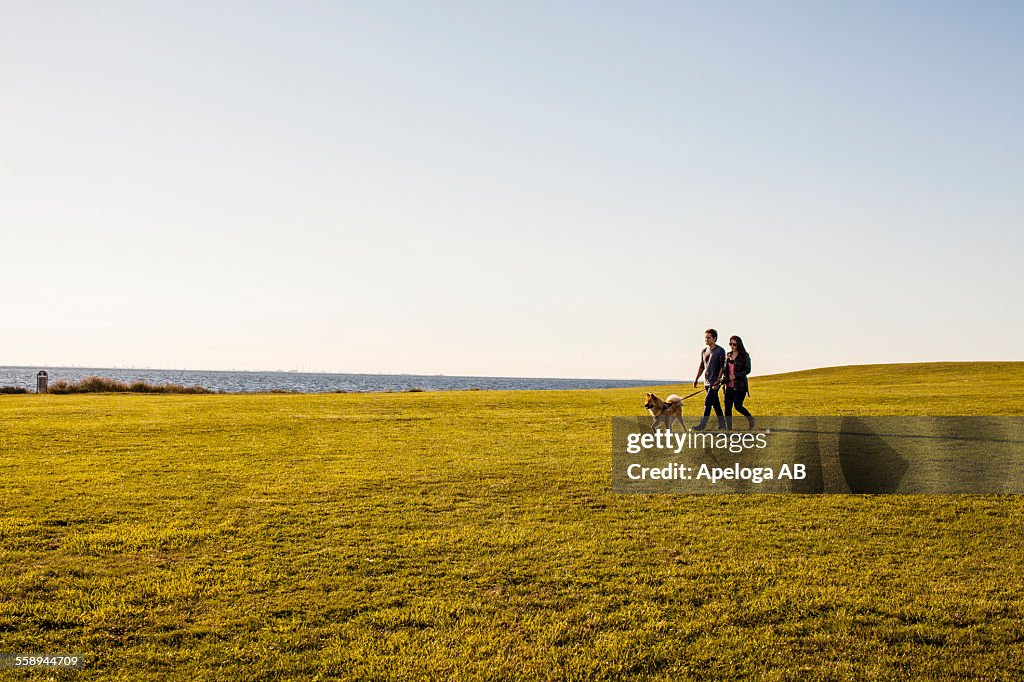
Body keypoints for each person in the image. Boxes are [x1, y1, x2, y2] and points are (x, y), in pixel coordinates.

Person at [692, 328, 726, 431]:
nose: (706, 339)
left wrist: (718, 380)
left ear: (714, 338)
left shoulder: (720, 350)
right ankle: (722, 424)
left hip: (715, 382)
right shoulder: (703, 351)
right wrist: (696, 379)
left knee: (707, 402)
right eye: (705, 337)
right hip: (707, 382)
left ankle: (702, 424)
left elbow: (722, 367)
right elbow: (702, 366)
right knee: (715, 404)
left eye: (708, 337)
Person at [719, 335, 755, 430]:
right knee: (727, 408)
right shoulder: (728, 355)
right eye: (730, 344)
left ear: (738, 344)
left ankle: (750, 419)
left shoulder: (744, 356)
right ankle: (729, 429)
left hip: (740, 386)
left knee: (738, 406)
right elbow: (725, 370)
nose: (732, 346)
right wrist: (723, 379)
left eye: (734, 344)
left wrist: (736, 375)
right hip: (728, 386)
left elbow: (748, 370)